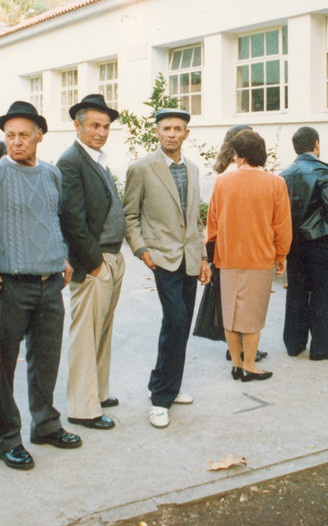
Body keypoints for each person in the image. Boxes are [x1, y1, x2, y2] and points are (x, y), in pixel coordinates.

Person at [0, 101, 80, 472]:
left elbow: (52, 219)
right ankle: (7, 439)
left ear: (39, 136)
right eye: (10, 135)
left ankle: (45, 425)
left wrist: (62, 254)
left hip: (50, 285)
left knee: (46, 360)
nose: (16, 142)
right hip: (10, 287)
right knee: (2, 367)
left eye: (24, 135)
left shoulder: (51, 174)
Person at [123, 108, 211, 429]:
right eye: (166, 128)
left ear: (186, 133)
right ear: (157, 132)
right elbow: (129, 215)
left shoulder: (193, 169)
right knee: (175, 320)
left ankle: (167, 386)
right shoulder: (142, 168)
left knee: (180, 325)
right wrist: (141, 249)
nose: (171, 133)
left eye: (177, 128)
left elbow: (194, 220)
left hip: (189, 258)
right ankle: (160, 400)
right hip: (161, 256)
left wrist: (203, 258)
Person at [58, 93, 126, 430]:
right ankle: (83, 409)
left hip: (111, 257)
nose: (101, 132)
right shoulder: (71, 161)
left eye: (106, 126)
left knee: (103, 331)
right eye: (94, 126)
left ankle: (97, 393)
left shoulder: (96, 160)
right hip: (94, 262)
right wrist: (96, 263)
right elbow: (72, 219)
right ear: (78, 125)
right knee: (85, 335)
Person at [206, 129, 291, 381]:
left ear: (239, 155)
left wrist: (212, 254)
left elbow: (212, 223)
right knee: (253, 315)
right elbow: (282, 225)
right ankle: (250, 365)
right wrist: (281, 256)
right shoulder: (276, 183)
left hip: (227, 257)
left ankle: (236, 363)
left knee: (230, 313)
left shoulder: (221, 182)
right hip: (260, 258)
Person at [280, 126, 328, 360]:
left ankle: (294, 343)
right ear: (316, 144)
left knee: (296, 292)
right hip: (321, 240)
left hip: (295, 243)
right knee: (323, 295)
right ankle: (321, 346)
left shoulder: (284, 174)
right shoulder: (323, 172)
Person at [207, 124, 266, 363]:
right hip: (244, 247)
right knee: (245, 303)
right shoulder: (234, 172)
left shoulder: (224, 171)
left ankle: (238, 353)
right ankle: (241, 352)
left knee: (233, 302)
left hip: (227, 248)